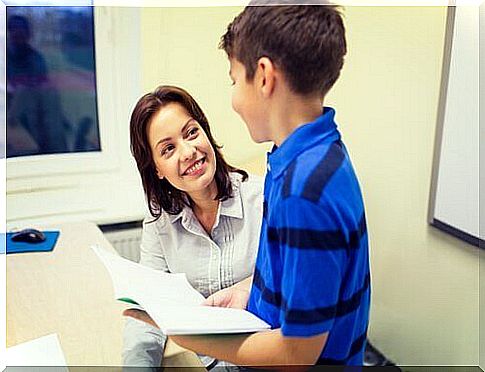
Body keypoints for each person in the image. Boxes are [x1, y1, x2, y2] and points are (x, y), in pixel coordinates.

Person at [126, 3, 370, 367]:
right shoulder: (298, 159)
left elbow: (296, 353)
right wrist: (248, 294)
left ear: (264, 77)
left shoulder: (304, 192)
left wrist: (184, 333)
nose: (235, 99)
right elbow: (287, 284)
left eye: (234, 79)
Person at [124, 85, 263, 368]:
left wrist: (248, 287)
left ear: (206, 133)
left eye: (191, 132)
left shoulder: (263, 200)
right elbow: (148, 316)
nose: (188, 152)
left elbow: (290, 283)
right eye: (168, 149)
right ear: (157, 169)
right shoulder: (159, 223)